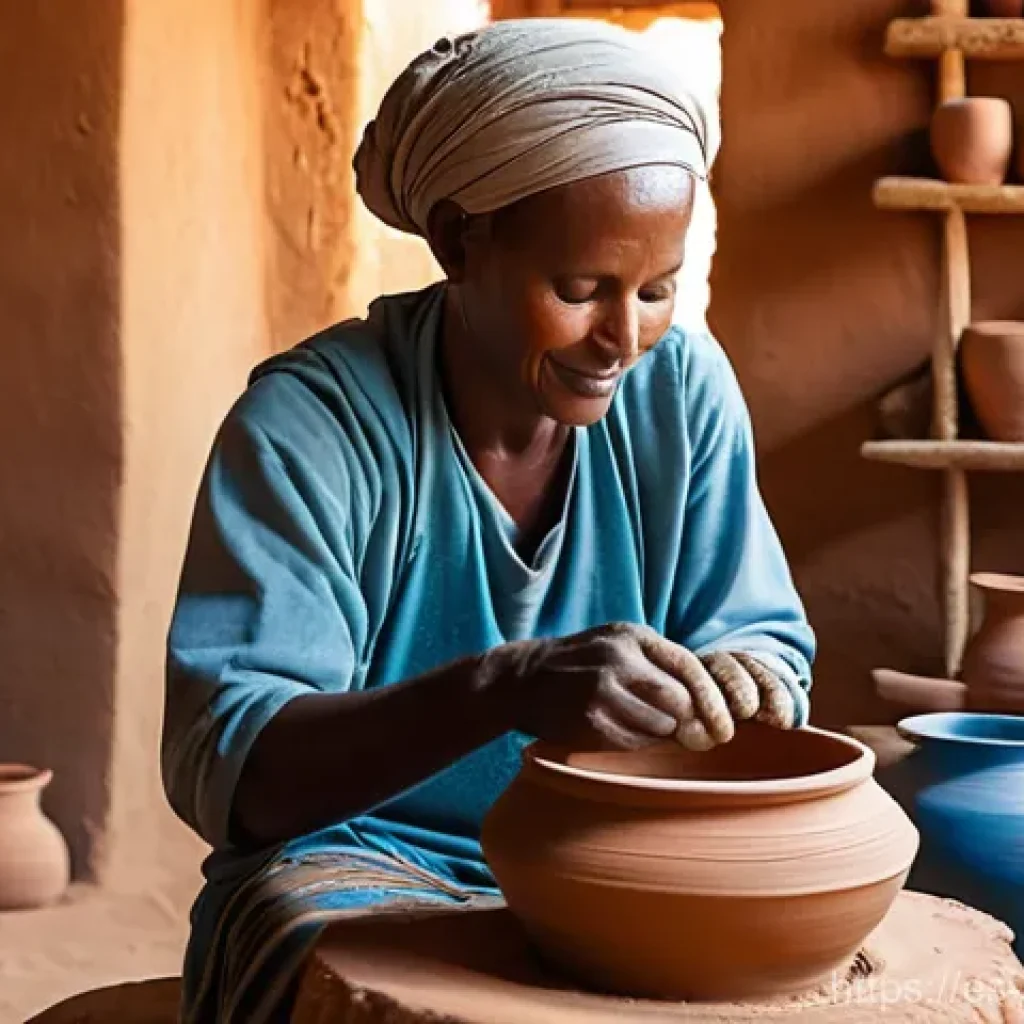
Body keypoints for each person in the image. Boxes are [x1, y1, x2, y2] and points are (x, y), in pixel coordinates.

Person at [161, 17, 816, 1024]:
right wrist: (503, 686)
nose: (621, 337)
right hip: (360, 861)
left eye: (656, 290)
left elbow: (759, 636)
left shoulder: (679, 394)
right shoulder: (312, 427)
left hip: (612, 860)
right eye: (580, 288)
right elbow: (233, 770)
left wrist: (746, 680)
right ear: (456, 241)